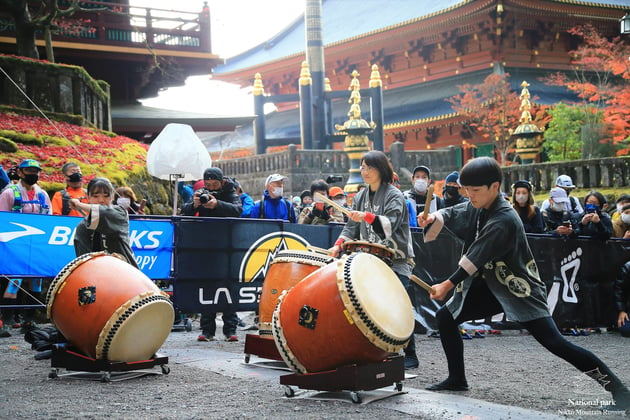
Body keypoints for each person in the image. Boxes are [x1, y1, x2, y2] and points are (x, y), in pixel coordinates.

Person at [416, 157, 630, 411]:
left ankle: (621, 392)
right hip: (491, 286)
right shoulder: (479, 204)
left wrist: (446, 285)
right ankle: (457, 378)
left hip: (519, 289)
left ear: (494, 187)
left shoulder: (504, 218)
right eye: (466, 190)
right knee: (446, 317)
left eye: (475, 191)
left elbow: (476, 257)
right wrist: (433, 217)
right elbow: (454, 212)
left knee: (556, 343)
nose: (469, 196)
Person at [327, 150, 419, 370]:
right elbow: (351, 226)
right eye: (362, 167)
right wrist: (338, 245)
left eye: (369, 167)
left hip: (396, 259)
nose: (364, 171)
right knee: (374, 306)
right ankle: (379, 351)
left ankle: (410, 353)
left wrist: (367, 216)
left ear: (381, 169)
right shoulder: (360, 196)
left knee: (398, 306)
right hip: (372, 259)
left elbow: (391, 224)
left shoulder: (394, 195)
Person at [181, 167, 242, 342]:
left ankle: (230, 330)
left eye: (214, 184)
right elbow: (185, 210)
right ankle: (207, 330)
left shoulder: (230, 191)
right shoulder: (201, 193)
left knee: (228, 286)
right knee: (207, 286)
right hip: (205, 244)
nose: (211, 188)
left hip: (227, 245)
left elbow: (238, 210)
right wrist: (194, 204)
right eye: (208, 184)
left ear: (221, 181)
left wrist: (217, 204)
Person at [0, 159, 51, 335]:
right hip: (15, 245)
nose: (33, 174)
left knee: (36, 281)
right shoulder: (9, 193)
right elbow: (3, 219)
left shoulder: (43, 195)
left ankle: (29, 319)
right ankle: (6, 321)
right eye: (29, 171)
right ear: (20, 173)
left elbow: (49, 220)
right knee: (14, 281)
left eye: (36, 171)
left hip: (36, 245)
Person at [70, 177, 138, 268]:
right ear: (88, 197)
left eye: (106, 196)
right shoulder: (83, 226)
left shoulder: (120, 213)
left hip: (124, 271)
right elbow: (83, 259)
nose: (101, 200)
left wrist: (79, 205)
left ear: (112, 197)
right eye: (95, 196)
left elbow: (104, 212)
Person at [614, 261, 630, 338]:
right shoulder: (627, 267)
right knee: (626, 330)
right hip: (628, 309)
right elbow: (618, 290)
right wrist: (622, 310)